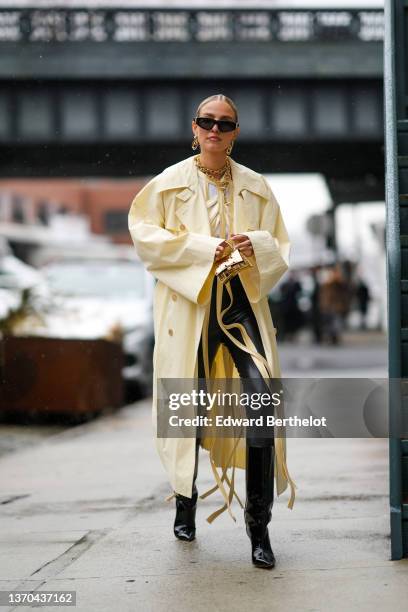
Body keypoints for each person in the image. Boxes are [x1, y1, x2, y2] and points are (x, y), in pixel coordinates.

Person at [128, 94, 296, 569]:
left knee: (262, 404)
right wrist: (206, 251)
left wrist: (254, 244)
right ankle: (186, 498)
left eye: (225, 123)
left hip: (242, 305)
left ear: (236, 131)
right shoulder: (167, 185)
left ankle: (258, 527)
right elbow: (145, 237)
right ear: (195, 128)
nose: (215, 130)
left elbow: (280, 245)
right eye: (207, 122)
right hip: (192, 305)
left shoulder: (256, 187)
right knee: (190, 409)